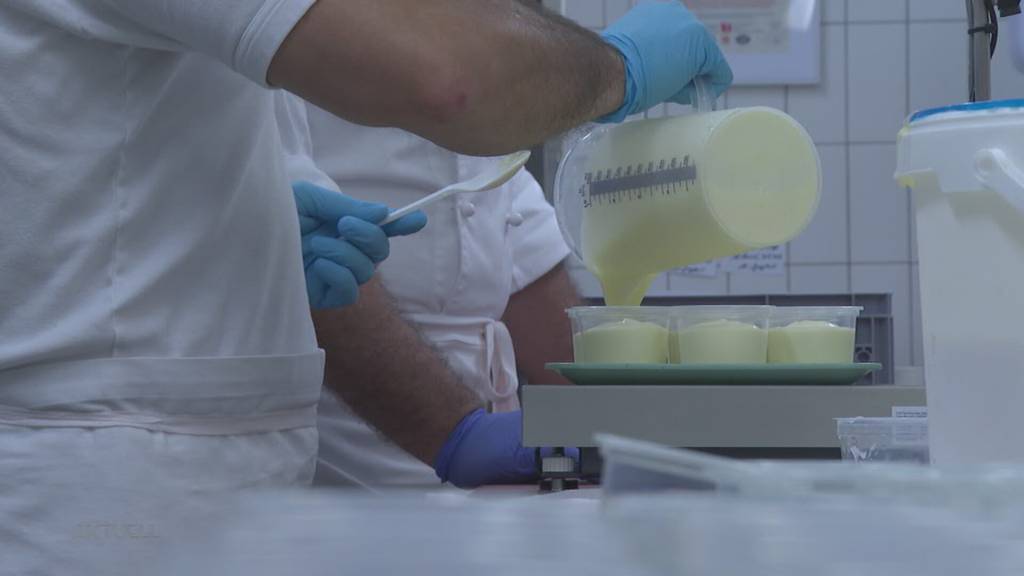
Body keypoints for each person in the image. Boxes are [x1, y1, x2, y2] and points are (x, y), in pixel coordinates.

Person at [0, 0, 731, 571]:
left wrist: (270, 209)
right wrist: (616, 68)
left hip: (185, 469)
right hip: (113, 488)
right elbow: (450, 80)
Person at [280, 93, 581, 486]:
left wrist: (625, 427)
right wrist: (455, 435)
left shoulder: (482, 109)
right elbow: (314, 264)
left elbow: (525, 252)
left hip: (487, 474)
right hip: (349, 476)